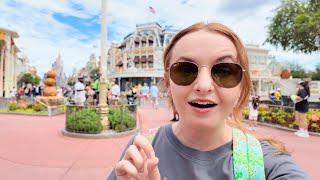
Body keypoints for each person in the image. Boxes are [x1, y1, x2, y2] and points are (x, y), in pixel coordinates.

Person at [107, 22, 307, 179]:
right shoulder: (141, 150)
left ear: (241, 86)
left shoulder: (268, 163)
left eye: (224, 71)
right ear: (168, 82)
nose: (203, 85)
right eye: (185, 70)